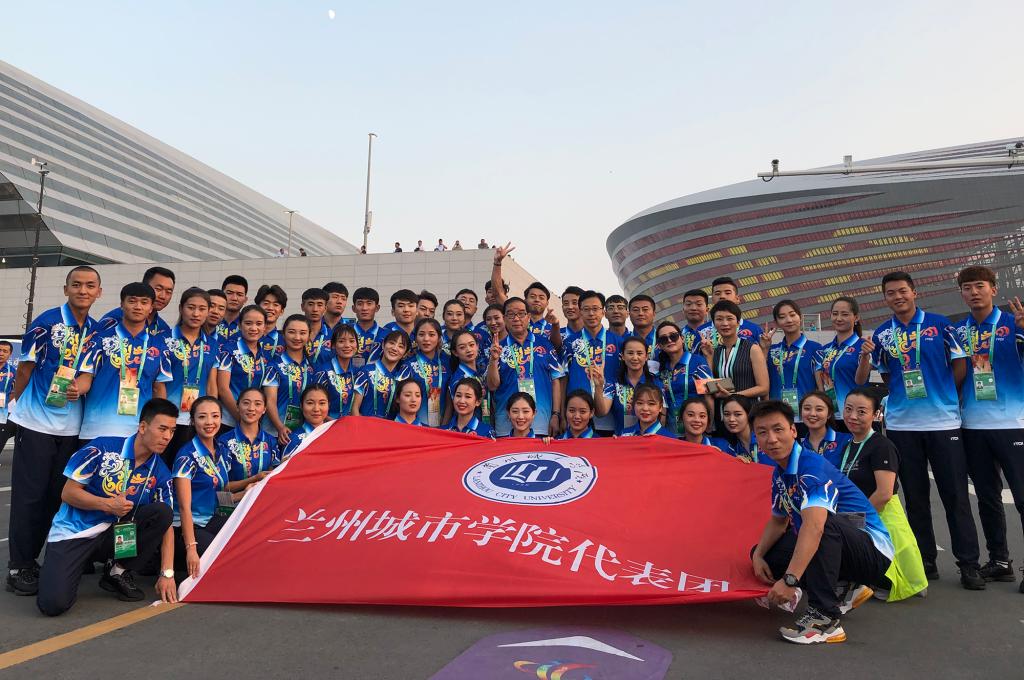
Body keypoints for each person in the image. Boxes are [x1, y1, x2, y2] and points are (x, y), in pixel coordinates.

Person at [857, 271, 982, 588]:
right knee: (915, 498)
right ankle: (926, 560)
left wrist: (944, 393)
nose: (897, 297)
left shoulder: (940, 325)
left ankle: (969, 564)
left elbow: (960, 365)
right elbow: (887, 375)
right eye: (890, 293)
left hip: (943, 423)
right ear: (885, 298)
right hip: (902, 426)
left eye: (902, 291)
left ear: (914, 292)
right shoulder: (883, 334)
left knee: (956, 496)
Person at [749, 400, 895, 645]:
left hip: (872, 551)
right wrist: (757, 555)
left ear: (793, 431)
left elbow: (815, 527)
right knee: (769, 554)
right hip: (842, 543)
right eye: (762, 432)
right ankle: (844, 586)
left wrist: (790, 580)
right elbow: (778, 521)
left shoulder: (811, 468)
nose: (771, 439)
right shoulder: (780, 473)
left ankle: (824, 619)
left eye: (778, 429)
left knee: (819, 525)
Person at [7, 266, 103, 596]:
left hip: (70, 429)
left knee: (54, 497)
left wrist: (80, 387)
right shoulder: (46, 323)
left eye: (89, 286)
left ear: (98, 292)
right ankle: (19, 565)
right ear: (66, 289)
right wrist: (17, 407)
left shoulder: (95, 331)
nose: (83, 291)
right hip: (36, 424)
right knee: (29, 497)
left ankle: (42, 560)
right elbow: (25, 369)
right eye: (76, 285)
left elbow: (88, 374)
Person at [36, 398, 179, 616]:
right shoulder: (101, 448)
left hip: (115, 535)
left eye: (172, 431)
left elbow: (166, 524)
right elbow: (68, 493)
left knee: (162, 512)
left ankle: (117, 570)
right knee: (53, 604)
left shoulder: (160, 472)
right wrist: (107, 505)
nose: (167, 437)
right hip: (76, 532)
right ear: (142, 427)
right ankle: (67, 565)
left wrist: (167, 573)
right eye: (162, 429)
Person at [954, 265, 1024, 588]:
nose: (974, 292)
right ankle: (999, 560)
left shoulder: (1014, 323)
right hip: (973, 426)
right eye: (967, 287)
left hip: (1013, 423)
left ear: (993, 289)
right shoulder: (958, 331)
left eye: (979, 285)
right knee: (987, 497)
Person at [839, 387, 928, 601]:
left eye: (861, 411)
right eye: (848, 409)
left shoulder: (881, 446)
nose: (853, 416)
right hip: (861, 513)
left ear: (876, 414)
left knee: (892, 571)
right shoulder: (848, 444)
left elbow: (884, 493)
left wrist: (855, 522)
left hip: (881, 516)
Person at [77, 283, 173, 441]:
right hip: (97, 429)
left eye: (144, 302)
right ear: (122, 304)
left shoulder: (160, 346)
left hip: (139, 433)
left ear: (151, 308)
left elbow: (159, 388)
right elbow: (86, 378)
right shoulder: (100, 340)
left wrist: (161, 422)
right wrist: (74, 389)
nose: (138, 307)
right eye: (132, 301)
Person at [172, 396, 233, 579]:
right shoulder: (186, 457)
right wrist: (191, 549)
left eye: (215, 416)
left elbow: (220, 489)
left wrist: (252, 484)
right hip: (187, 529)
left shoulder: (222, 450)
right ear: (192, 421)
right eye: (202, 417)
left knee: (242, 542)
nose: (209, 422)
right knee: (221, 561)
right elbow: (184, 507)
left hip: (211, 520)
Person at [487, 297, 565, 437]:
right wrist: (493, 360)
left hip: (542, 422)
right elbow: (492, 386)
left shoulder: (545, 344)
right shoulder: (498, 348)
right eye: (511, 314)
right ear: (504, 318)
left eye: (521, 314)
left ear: (528, 317)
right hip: (506, 425)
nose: (516, 318)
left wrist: (556, 414)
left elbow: (556, 380)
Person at [163, 288, 218, 463]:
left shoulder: (213, 345)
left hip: (197, 420)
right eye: (191, 307)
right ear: (181, 308)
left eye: (202, 309)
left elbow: (211, 383)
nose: (196, 314)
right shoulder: (165, 340)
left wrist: (210, 415)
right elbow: (158, 383)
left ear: (208, 311)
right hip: (170, 417)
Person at [701, 300, 770, 430]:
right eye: (719, 319)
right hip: (723, 417)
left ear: (738, 322)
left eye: (729, 318)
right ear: (714, 324)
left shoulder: (752, 349)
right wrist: (709, 357)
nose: (725, 323)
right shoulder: (715, 351)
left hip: (748, 415)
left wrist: (733, 395)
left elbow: (763, 388)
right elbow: (708, 386)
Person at [564, 291, 622, 435]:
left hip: (609, 417)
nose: (591, 314)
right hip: (577, 416)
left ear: (603, 312)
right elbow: (563, 378)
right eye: (586, 309)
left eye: (595, 309)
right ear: (580, 312)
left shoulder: (618, 342)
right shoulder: (570, 342)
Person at [762, 300, 823, 433]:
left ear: (800, 317)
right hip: (777, 416)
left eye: (792, 315)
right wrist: (765, 349)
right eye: (782, 317)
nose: (789, 320)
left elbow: (821, 387)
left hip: (807, 416)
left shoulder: (815, 348)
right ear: (777, 323)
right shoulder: (772, 350)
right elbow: (762, 381)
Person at [215, 305, 276, 428]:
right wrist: (241, 418)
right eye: (248, 323)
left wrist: (252, 419)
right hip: (227, 420)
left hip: (252, 419)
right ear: (239, 325)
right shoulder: (229, 351)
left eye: (259, 324)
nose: (253, 328)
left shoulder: (265, 356)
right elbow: (222, 388)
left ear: (264, 327)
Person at [813, 296, 866, 432]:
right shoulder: (823, 351)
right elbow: (820, 387)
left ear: (856, 317)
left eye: (845, 314)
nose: (839, 318)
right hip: (830, 416)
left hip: (855, 417)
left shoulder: (864, 347)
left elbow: (862, 380)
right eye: (835, 314)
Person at [654, 321, 713, 436]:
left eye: (673, 336)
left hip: (697, 426)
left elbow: (708, 394)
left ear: (682, 338)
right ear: (660, 345)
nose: (669, 340)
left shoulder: (697, 361)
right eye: (664, 339)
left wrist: (709, 424)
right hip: (671, 429)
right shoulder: (661, 368)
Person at [594, 336, 661, 436]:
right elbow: (601, 412)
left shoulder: (655, 382)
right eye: (630, 353)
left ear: (646, 357)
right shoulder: (614, 383)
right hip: (622, 440)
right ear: (623, 356)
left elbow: (662, 415)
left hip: (649, 439)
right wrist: (598, 387)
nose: (635, 358)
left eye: (639, 353)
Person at [264, 315, 313, 445]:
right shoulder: (274, 366)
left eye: (303, 333)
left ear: (309, 336)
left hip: (301, 434)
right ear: (284, 335)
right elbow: (270, 400)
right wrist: (280, 427)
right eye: (292, 332)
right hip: (274, 432)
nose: (297, 337)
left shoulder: (310, 367)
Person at [218, 387, 279, 483]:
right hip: (236, 493)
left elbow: (274, 477)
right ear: (237, 406)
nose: (251, 408)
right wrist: (253, 480)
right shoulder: (224, 441)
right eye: (246, 403)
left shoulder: (271, 441)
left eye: (257, 404)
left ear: (264, 409)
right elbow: (221, 485)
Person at [352, 330, 412, 418]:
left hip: (392, 426)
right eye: (391, 343)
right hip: (365, 424)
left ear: (405, 354)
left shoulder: (402, 378)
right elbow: (354, 408)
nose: (395, 348)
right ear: (383, 345)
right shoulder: (366, 372)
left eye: (401, 346)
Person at [101, 266, 174, 338]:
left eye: (168, 292)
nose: (163, 296)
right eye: (158, 289)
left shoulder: (163, 327)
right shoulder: (113, 320)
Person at [698, 277, 763, 347]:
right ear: (712, 299)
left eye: (727, 293)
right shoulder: (701, 332)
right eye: (717, 293)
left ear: (737, 299)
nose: (722, 296)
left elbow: (764, 352)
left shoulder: (754, 329)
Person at [409, 319, 449, 427]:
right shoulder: (408, 365)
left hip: (444, 425)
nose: (426, 339)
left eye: (431, 335)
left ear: (439, 338)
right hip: (416, 426)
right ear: (415, 338)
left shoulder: (447, 362)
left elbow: (450, 397)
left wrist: (445, 425)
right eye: (421, 334)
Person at [445, 330, 489, 423]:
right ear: (455, 352)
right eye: (462, 347)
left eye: (471, 345)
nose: (469, 350)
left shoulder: (481, 371)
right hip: (468, 427)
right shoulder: (458, 378)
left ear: (477, 346)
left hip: (485, 423)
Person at [317, 324, 359, 419]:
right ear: (333, 345)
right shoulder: (323, 372)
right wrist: (335, 422)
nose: (347, 345)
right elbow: (316, 406)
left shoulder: (357, 372)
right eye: (341, 341)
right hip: (328, 424)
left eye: (352, 341)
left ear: (357, 345)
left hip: (349, 424)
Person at [281, 384, 332, 459]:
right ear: (301, 406)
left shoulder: (336, 435)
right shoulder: (293, 439)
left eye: (322, 403)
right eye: (310, 403)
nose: (316, 409)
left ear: (328, 405)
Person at [799, 390, 852, 459]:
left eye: (819, 409)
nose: (812, 414)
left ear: (829, 414)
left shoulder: (847, 440)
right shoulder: (798, 450)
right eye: (807, 408)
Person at [721, 395, 772, 464]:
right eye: (727, 414)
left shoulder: (765, 437)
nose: (731, 419)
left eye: (737, 414)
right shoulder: (729, 447)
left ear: (748, 415)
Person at [350, 287, 385, 368]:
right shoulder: (344, 333)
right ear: (354, 308)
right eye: (360, 304)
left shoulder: (386, 335)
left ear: (377, 308)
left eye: (369, 303)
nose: (364, 308)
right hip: (348, 375)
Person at [300, 288, 332, 370]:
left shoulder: (333, 336)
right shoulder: (293, 335)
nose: (315, 309)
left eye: (320, 305)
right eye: (310, 304)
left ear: (325, 308)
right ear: (302, 307)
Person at [255, 284, 288, 358]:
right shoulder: (245, 337)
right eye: (266, 303)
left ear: (282, 311)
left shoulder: (286, 341)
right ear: (257, 307)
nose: (270, 308)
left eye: (276, 305)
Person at [216, 275, 249, 343]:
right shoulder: (210, 321)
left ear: (245, 299)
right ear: (221, 295)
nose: (234, 298)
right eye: (229, 293)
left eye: (239, 294)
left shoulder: (248, 325)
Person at [0, 340, 17, 453]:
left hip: (1, 412)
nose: (1, 353)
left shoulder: (13, 371)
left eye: (5, 351)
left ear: (10, 354)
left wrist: (5, 401)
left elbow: (15, 391)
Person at [680, 289, 710, 354]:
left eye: (699, 304)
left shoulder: (716, 332)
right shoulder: (677, 336)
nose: (693, 308)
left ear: (707, 310)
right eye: (688, 304)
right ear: (683, 310)